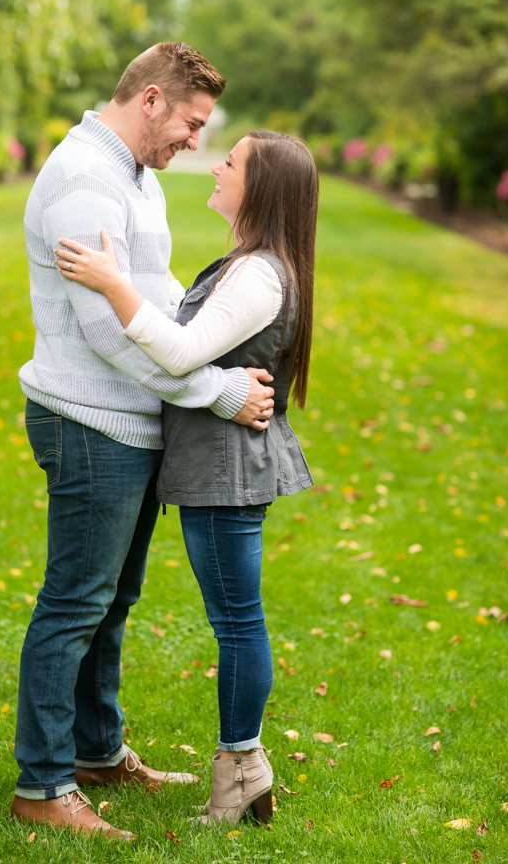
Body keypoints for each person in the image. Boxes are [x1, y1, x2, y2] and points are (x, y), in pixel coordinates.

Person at [11, 42, 276, 841]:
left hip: (129, 419)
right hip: (89, 419)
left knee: (112, 601)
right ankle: (43, 783)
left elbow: (152, 295)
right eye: (192, 123)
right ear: (152, 99)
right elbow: (108, 334)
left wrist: (203, 344)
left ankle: (94, 752)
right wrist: (217, 391)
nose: (195, 142)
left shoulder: (132, 177)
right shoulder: (85, 179)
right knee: (75, 602)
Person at [54, 129, 318, 826]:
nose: (216, 165)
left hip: (226, 473)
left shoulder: (260, 272)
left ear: (257, 187)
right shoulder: (249, 263)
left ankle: (240, 769)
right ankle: (242, 769)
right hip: (217, 468)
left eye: (229, 162)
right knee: (235, 619)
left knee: (236, 622)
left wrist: (112, 285)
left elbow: (177, 353)